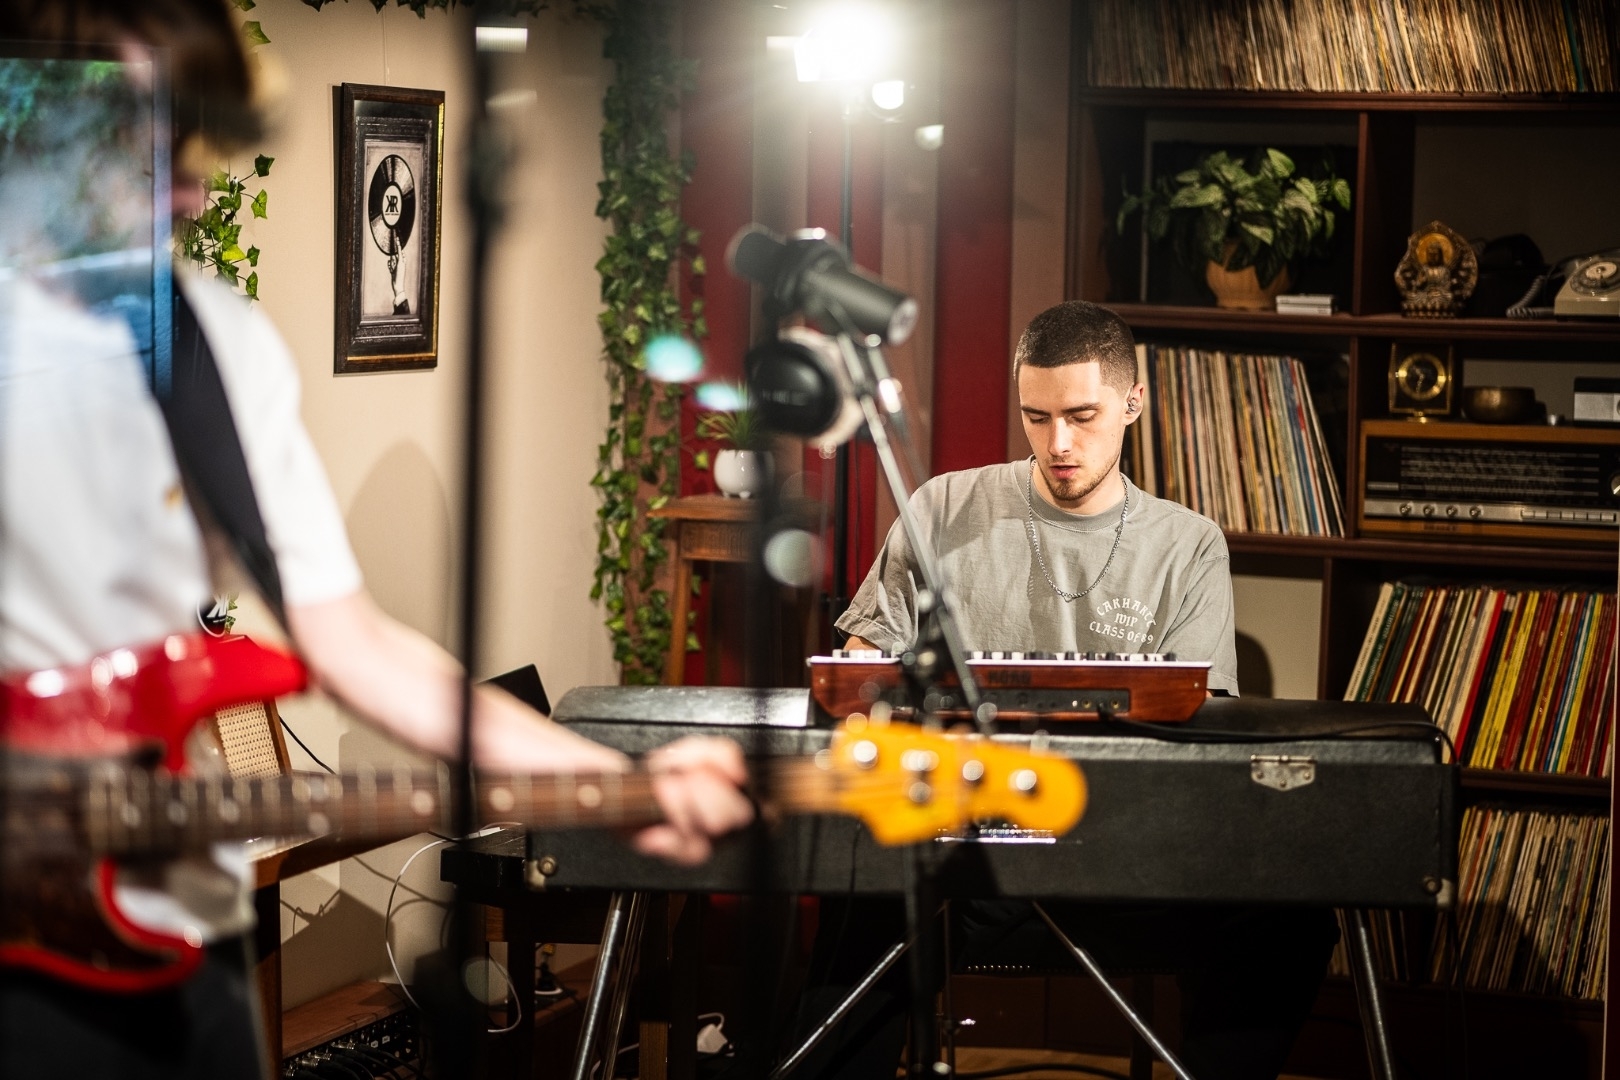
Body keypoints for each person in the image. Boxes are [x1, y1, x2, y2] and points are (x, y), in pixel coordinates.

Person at [0, 3, 751, 1077]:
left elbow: (356, 646)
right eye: (151, 140)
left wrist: (609, 782)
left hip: (166, 938)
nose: (192, 186)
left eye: (198, 144)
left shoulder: (214, 343)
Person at [785, 300, 1334, 1080]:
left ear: (1133, 402)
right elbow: (861, 668)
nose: (1058, 444)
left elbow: (1195, 729)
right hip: (959, 855)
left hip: (1115, 860)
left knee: (1292, 917)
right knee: (858, 877)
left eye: (1081, 416)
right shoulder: (942, 508)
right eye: (1036, 418)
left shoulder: (1188, 545)